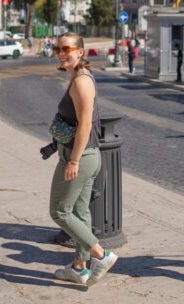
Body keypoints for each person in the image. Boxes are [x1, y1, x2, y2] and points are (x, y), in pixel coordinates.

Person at [49, 32, 118, 287]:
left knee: (58, 210)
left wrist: (74, 161)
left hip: (81, 156)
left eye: (67, 48)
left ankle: (101, 254)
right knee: (79, 210)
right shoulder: (78, 78)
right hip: (86, 155)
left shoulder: (81, 81)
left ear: (80, 52)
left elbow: (86, 124)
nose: (62, 53)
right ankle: (80, 266)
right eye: (59, 49)